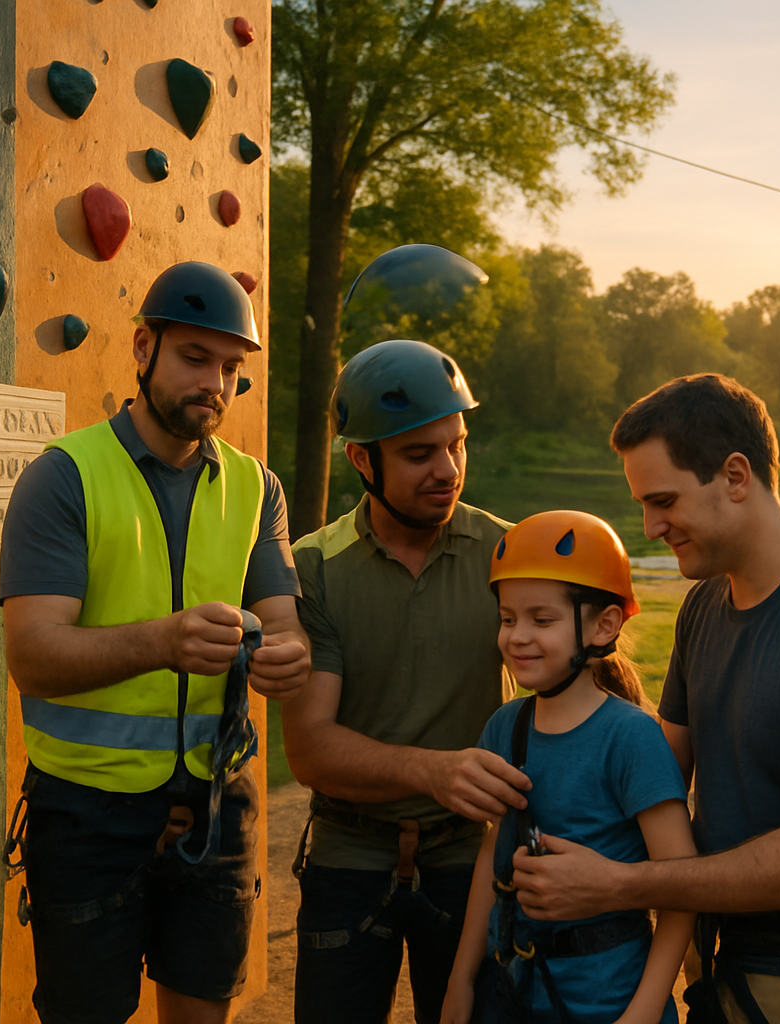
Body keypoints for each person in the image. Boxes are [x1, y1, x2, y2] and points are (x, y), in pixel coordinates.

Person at [512, 374, 780, 1024]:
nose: (650, 527)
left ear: (736, 476)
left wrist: (620, 885)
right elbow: (660, 771)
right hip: (714, 962)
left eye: (663, 501)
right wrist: (515, 778)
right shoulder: (705, 603)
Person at [0, 261, 311, 1024]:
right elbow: (33, 657)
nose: (215, 383)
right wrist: (163, 641)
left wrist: (285, 657)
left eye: (230, 368)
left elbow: (285, 627)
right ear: (143, 348)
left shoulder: (258, 488)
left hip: (218, 803)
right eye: (195, 358)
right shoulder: (64, 477)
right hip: (87, 816)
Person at [283, 339, 526, 1024]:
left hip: (473, 860)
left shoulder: (510, 554)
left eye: (457, 445)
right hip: (349, 858)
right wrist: (435, 771)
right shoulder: (313, 569)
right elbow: (310, 751)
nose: (448, 469)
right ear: (362, 459)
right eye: (420, 454)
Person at [441, 510, 696, 1024]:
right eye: (508, 618)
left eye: (542, 619)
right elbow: (493, 854)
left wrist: (642, 1015)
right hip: (516, 997)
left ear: (604, 625)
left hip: (610, 1004)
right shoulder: (505, 727)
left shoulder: (631, 738)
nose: (517, 636)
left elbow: (680, 891)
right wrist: (461, 981)